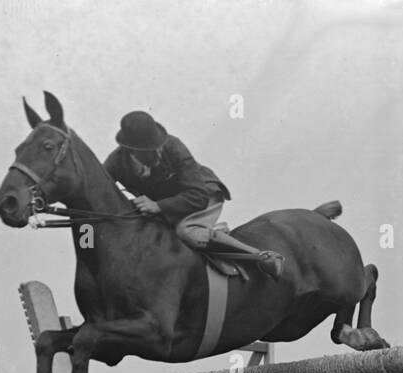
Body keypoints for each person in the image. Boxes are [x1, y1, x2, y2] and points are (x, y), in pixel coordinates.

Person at [102, 110, 285, 279]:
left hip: (204, 195)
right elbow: (100, 190)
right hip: (171, 209)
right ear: (132, 150)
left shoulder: (174, 146)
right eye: (150, 150)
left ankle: (262, 256)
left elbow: (198, 196)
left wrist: (157, 206)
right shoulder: (116, 162)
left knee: (187, 232)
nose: (158, 151)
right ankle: (212, 235)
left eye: (157, 145)